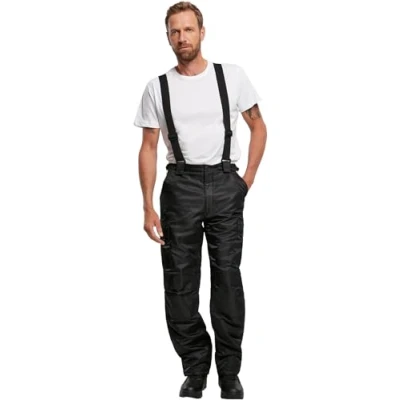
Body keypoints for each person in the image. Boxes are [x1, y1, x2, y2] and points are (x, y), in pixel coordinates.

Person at [133, 2, 267, 398]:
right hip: (180, 187)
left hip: (226, 184)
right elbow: (148, 146)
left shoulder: (232, 76)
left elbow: (258, 126)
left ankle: (229, 372)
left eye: (188, 29)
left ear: (202, 32)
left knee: (227, 281)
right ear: (167, 37)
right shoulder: (157, 87)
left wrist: (246, 180)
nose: (182, 37)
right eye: (174, 31)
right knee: (179, 285)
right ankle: (195, 367)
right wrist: (147, 205)